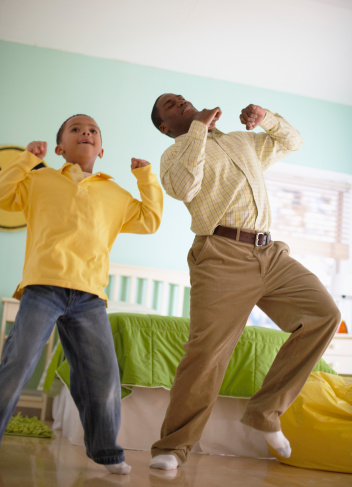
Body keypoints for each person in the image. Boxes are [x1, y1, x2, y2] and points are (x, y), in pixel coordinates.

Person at [149, 94, 340, 470]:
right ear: (165, 127)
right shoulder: (175, 156)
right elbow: (184, 188)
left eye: (181, 98)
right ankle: (172, 448)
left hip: (270, 254)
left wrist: (265, 117)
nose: (181, 101)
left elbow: (291, 141)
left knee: (325, 315)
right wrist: (200, 128)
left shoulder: (241, 140)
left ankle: (266, 412)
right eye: (170, 105)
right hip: (221, 257)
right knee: (206, 352)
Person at [0, 114, 163, 474]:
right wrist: (26, 159)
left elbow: (150, 220)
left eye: (92, 131)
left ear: (100, 149)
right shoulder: (39, 179)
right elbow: (2, 195)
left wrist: (145, 177)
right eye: (76, 129)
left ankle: (106, 451)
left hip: (90, 296)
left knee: (103, 377)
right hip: (44, 287)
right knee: (18, 362)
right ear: (60, 148)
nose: (85, 133)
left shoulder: (115, 194)